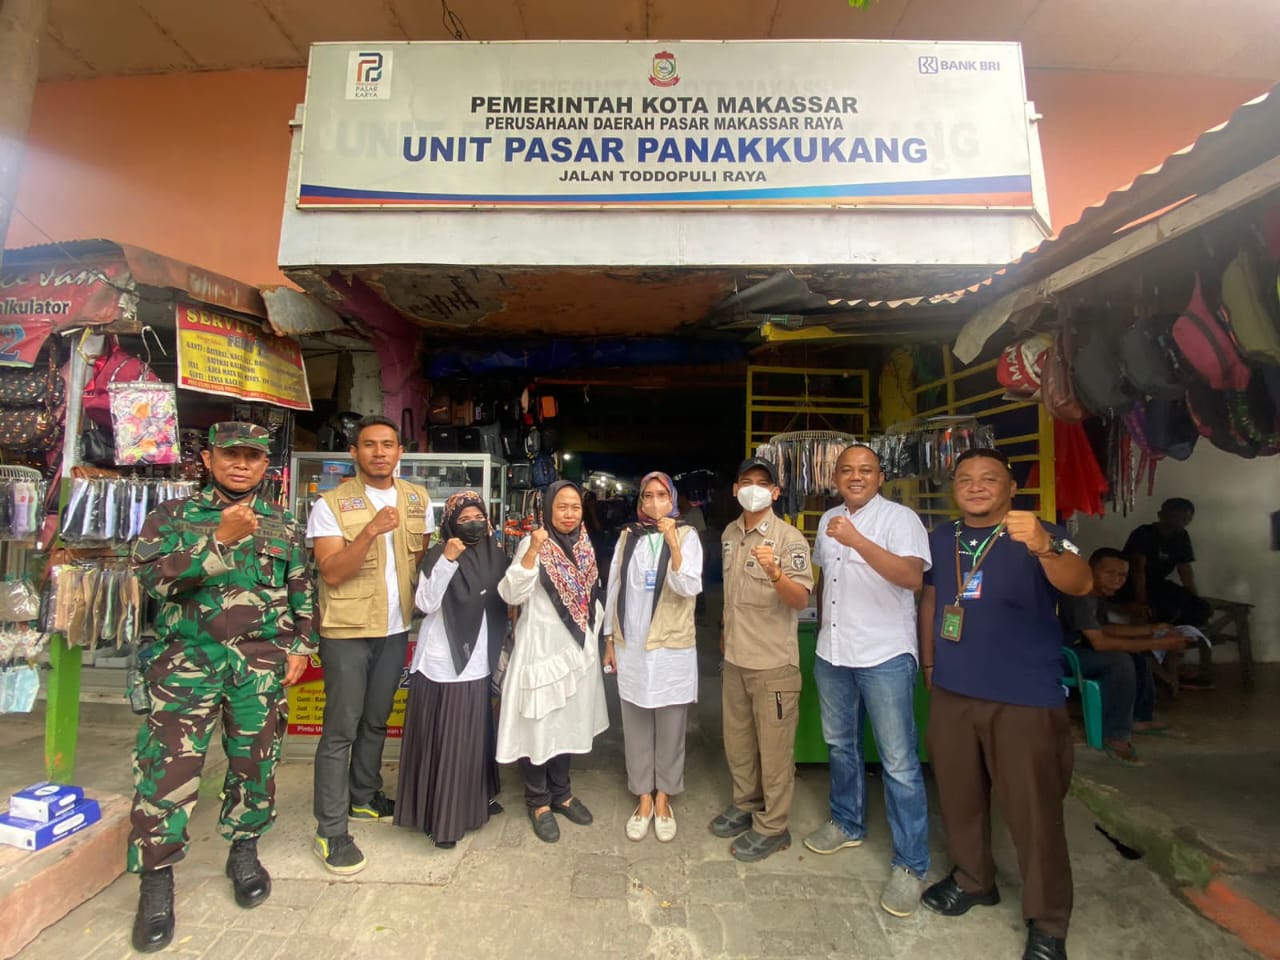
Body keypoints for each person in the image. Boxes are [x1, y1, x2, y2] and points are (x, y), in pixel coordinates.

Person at [127, 423, 314, 953]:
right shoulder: (173, 515)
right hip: (186, 666)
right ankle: (157, 882)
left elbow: (300, 584)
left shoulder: (281, 521)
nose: (241, 465)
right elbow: (152, 581)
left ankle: (244, 850)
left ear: (264, 465)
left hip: (258, 667)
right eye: (230, 454)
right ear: (208, 458)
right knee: (167, 775)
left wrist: (302, 644)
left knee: (255, 764)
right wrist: (217, 543)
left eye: (252, 457)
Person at [918, 448, 1091, 960]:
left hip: (1022, 697)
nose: (975, 486)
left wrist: (1043, 546)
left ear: (1011, 487)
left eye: (988, 479)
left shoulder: (1042, 533)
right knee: (959, 797)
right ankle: (974, 880)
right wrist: (930, 666)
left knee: (1033, 812)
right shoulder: (942, 538)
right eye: (965, 479)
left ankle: (1048, 922)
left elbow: (1080, 582)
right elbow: (932, 599)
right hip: (953, 691)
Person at [807, 444, 932, 917]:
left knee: (899, 762)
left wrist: (858, 540)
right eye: (846, 470)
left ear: (881, 477)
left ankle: (911, 864)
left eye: (865, 470)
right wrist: (821, 626)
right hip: (833, 652)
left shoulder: (900, 520)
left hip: (884, 654)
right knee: (841, 745)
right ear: (835, 477)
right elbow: (826, 578)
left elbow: (911, 578)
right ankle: (846, 822)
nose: (855, 477)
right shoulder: (826, 519)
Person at [307, 415, 433, 874]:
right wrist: (369, 531)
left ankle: (364, 796)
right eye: (369, 445)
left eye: (388, 445)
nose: (380, 452)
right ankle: (332, 830)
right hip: (347, 630)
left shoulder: (418, 499)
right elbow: (332, 572)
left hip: (396, 627)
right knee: (341, 729)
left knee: (376, 721)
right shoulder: (331, 504)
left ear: (400, 452)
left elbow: (422, 562)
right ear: (354, 453)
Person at [709, 457, 814, 862]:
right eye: (746, 481)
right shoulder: (731, 533)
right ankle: (746, 804)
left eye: (762, 482)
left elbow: (800, 599)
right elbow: (732, 596)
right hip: (735, 658)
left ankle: (773, 827)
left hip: (772, 664)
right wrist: (722, 632)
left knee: (774, 751)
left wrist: (775, 574)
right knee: (738, 743)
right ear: (736, 490)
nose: (754, 488)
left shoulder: (789, 539)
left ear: (775, 492)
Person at [497, 480, 609, 843]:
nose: (569, 513)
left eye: (575, 506)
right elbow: (511, 592)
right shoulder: (535, 544)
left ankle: (562, 792)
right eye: (562, 506)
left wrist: (598, 638)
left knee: (567, 721)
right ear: (547, 509)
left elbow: (594, 598)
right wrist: (532, 551)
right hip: (541, 650)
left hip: (576, 652)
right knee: (539, 722)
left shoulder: (586, 546)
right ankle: (538, 800)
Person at [395, 491, 508, 848]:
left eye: (479, 516)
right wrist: (447, 559)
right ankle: (443, 819)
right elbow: (426, 603)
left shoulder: (496, 552)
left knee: (473, 738)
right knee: (446, 741)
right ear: (450, 523)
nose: (474, 523)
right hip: (443, 663)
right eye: (465, 518)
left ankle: (476, 802)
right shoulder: (437, 553)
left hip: (478, 660)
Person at [602, 471, 704, 843]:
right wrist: (609, 637)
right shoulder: (629, 536)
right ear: (640, 501)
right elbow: (614, 585)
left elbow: (689, 584)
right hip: (632, 645)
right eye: (648, 496)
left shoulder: (688, 536)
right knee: (636, 722)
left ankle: (664, 798)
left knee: (672, 725)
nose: (655, 502)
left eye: (662, 495)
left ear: (672, 499)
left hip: (671, 646)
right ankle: (643, 797)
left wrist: (672, 542)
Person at [1059, 548, 1189, 765]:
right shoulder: (1079, 595)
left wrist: (1153, 629)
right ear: (1090, 570)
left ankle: (1138, 719)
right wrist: (1160, 643)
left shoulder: (1096, 595)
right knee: (1118, 661)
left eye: (1122, 576)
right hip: (1061, 655)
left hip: (1082, 648)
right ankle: (1114, 735)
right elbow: (1101, 642)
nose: (1117, 581)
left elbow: (1106, 628)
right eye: (1109, 574)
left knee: (1135, 655)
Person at [1119, 498, 1211, 628]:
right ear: (1161, 515)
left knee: (1201, 608)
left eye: (1185, 519)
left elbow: (1184, 569)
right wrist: (1142, 601)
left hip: (1157, 584)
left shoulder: (1182, 536)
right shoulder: (1144, 533)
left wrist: (1193, 596)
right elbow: (1137, 569)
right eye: (1175, 517)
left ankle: (1175, 635)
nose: (1179, 522)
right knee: (1156, 610)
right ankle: (1150, 641)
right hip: (1129, 584)